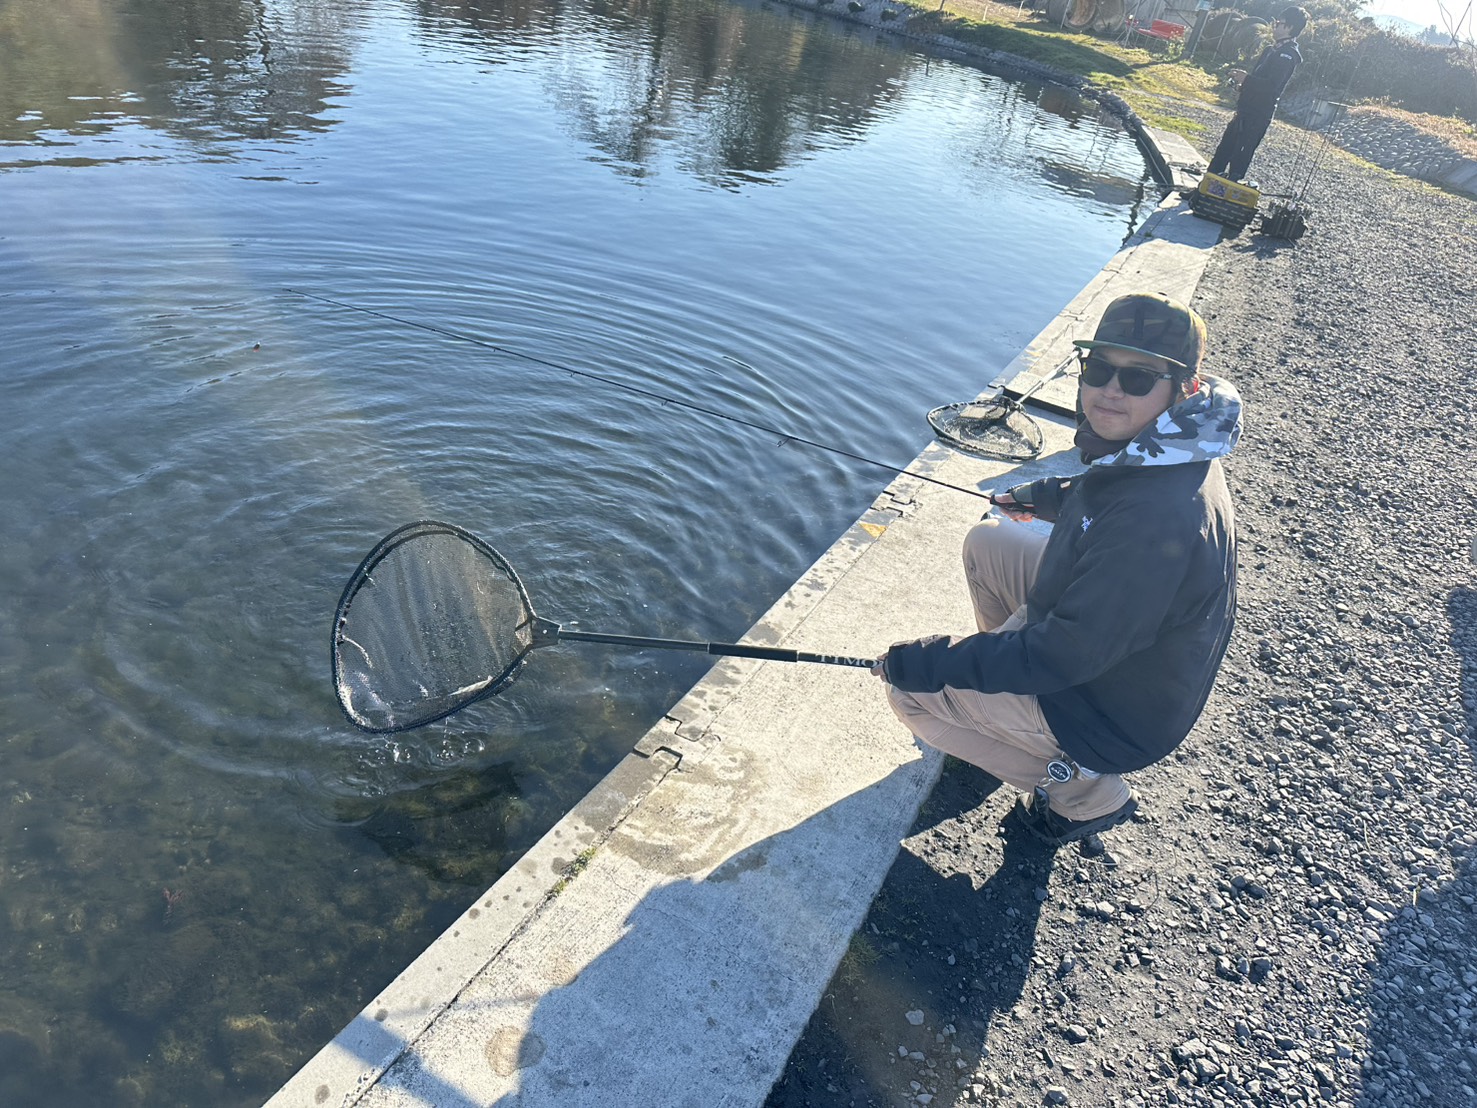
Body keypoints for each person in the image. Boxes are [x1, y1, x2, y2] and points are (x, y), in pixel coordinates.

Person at [873, 293, 1240, 849]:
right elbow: (1109, 491)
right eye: (1100, 369)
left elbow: (1064, 655)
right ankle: (998, 711)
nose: (1111, 389)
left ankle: (1085, 795)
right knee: (988, 544)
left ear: (1183, 388)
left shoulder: (1155, 519)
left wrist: (925, 662)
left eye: (1139, 377)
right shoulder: (1170, 446)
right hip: (1111, 650)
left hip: (1109, 712)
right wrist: (1045, 496)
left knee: (910, 692)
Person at [1205, 6, 1308, 183]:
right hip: (1245, 110)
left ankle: (1226, 194)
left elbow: (1272, 86)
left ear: (1289, 27)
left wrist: (1246, 79)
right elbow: (1257, 79)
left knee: (1239, 158)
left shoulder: (1288, 55)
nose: (1275, 26)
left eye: (1279, 23)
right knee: (1223, 150)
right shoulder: (1270, 49)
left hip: (1258, 115)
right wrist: (1242, 86)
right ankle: (1202, 191)